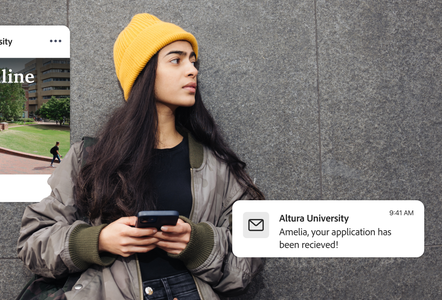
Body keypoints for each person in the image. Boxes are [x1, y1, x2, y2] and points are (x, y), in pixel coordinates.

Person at [17, 13, 265, 300]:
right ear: (144, 74)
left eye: (193, 61)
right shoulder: (90, 158)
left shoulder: (217, 165)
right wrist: (97, 241)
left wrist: (198, 244)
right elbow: (33, 242)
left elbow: (250, 257)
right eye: (177, 60)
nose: (193, 70)